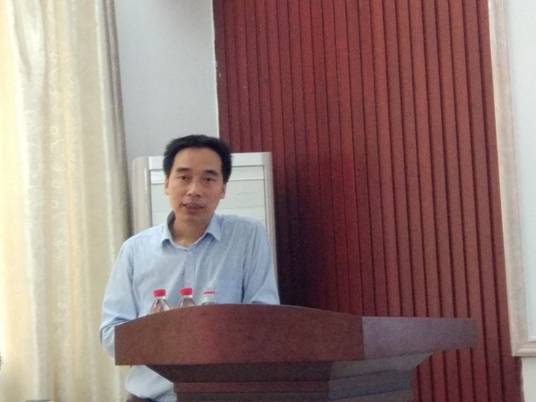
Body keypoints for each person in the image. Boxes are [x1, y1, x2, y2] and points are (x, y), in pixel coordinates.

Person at [99, 134, 280, 402]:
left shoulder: (248, 237)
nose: (194, 190)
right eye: (184, 177)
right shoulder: (135, 250)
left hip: (227, 396)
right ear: (167, 183)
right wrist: (163, 334)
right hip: (150, 397)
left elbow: (265, 320)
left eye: (208, 179)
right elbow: (111, 335)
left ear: (223, 189)